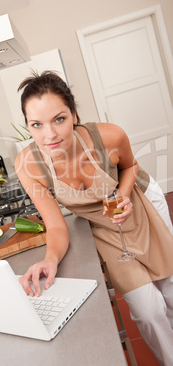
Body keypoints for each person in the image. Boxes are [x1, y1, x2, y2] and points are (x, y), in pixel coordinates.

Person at [14, 71, 173, 365]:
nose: (49, 135)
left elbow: (130, 166)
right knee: (148, 312)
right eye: (36, 124)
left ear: (74, 114)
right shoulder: (30, 165)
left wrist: (123, 195)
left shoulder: (109, 136)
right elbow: (56, 226)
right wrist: (50, 259)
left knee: (171, 292)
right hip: (105, 227)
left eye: (59, 119)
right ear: (28, 126)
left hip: (143, 206)